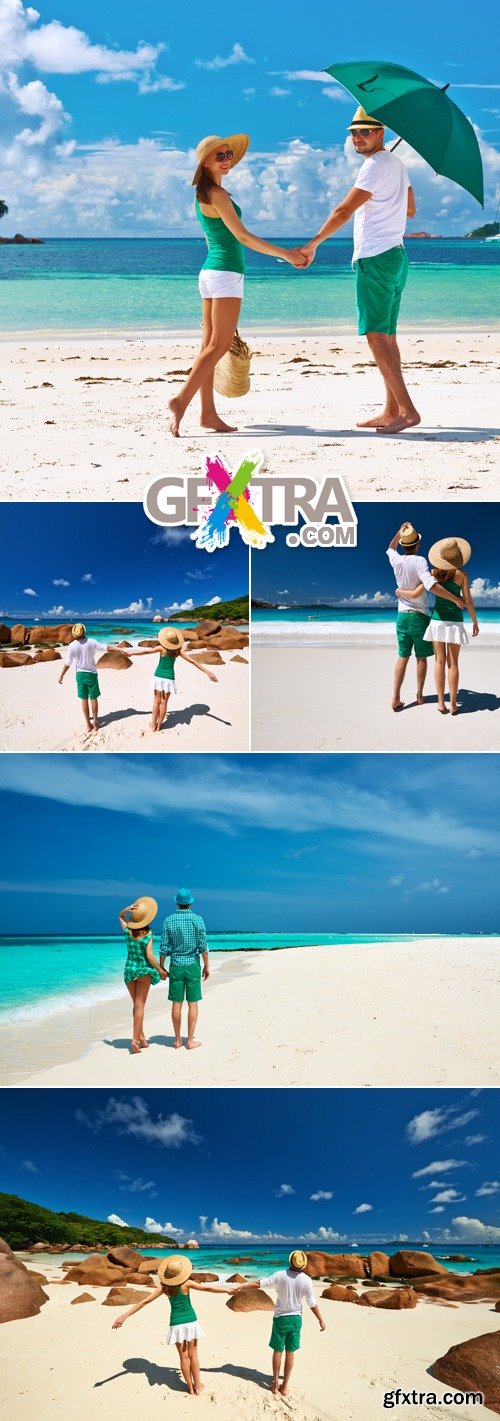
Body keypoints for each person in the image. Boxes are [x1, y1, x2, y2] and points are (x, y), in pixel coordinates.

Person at [168, 133, 308, 437]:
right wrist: (285, 254)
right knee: (218, 345)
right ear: (205, 161)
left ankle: (207, 414)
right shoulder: (216, 195)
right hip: (225, 274)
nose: (226, 159)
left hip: (210, 273)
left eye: (228, 154)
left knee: (208, 346)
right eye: (219, 155)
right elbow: (242, 237)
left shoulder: (207, 194)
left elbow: (214, 237)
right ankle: (180, 401)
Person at [299, 107, 419, 434]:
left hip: (376, 258)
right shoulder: (394, 164)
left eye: (364, 132)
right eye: (353, 132)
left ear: (381, 133)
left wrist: (313, 244)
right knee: (387, 335)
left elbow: (343, 210)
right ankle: (391, 409)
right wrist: (382, 198)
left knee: (376, 336)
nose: (357, 138)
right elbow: (410, 209)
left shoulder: (375, 166)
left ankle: (407, 410)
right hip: (395, 256)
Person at [112, 1255, 236, 1398]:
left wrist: (124, 1316)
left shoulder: (164, 1288)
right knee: (193, 1355)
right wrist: (226, 1290)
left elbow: (145, 1301)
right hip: (190, 1322)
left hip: (176, 1324)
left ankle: (189, 1387)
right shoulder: (187, 1284)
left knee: (183, 1357)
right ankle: (198, 1386)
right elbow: (207, 1288)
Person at [387, 524, 463, 712]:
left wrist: (400, 533)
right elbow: (431, 585)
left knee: (402, 656)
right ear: (418, 544)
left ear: (404, 544)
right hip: (419, 617)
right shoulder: (420, 561)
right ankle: (420, 695)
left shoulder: (396, 560)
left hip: (401, 617)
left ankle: (395, 698)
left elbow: (390, 548)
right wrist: (455, 598)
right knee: (421, 657)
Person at [402, 536, 479, 714]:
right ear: (457, 557)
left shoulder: (433, 573)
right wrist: (475, 622)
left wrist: (400, 592)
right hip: (455, 623)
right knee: (453, 664)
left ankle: (440, 703)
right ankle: (453, 704)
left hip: (437, 622)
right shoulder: (462, 575)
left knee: (439, 662)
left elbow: (418, 591)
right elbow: (467, 601)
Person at [238, 1250, 325, 1397]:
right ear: (303, 1265)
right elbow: (312, 1303)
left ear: (290, 1261)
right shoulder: (306, 1280)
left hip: (280, 1318)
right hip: (296, 1319)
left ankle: (275, 1384)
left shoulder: (280, 1275)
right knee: (290, 1352)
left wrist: (239, 1287)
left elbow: (259, 1283)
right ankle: (284, 1387)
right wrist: (320, 1319)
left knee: (278, 1351)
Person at [133, 626, 219, 733]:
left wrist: (131, 653)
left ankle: (153, 725)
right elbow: (193, 662)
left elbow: (146, 652)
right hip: (169, 678)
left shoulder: (161, 648)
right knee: (164, 703)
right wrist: (208, 672)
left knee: (156, 702)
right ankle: (159, 726)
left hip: (158, 677)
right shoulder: (178, 651)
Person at [160, 888, 209, 1050]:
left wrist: (161, 967)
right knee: (193, 1003)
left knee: (177, 1002)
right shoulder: (198, 920)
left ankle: (177, 1040)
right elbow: (203, 946)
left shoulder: (169, 921)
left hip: (176, 966)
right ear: (190, 903)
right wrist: (207, 966)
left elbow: (164, 948)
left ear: (177, 903)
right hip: (193, 966)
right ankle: (189, 1041)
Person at [118, 896, 167, 1054]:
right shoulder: (148, 934)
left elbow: (120, 915)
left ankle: (142, 1038)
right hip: (144, 971)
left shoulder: (127, 931)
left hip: (130, 971)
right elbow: (150, 956)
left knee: (136, 1006)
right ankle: (134, 1040)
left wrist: (128, 908)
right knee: (140, 1006)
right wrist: (160, 970)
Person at [58, 622, 109, 733]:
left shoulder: (72, 645)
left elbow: (68, 662)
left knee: (84, 699)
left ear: (75, 634)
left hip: (80, 675)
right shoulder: (92, 642)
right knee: (93, 698)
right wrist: (121, 650)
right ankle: (95, 722)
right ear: (84, 631)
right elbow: (106, 647)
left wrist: (62, 674)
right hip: (91, 674)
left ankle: (88, 725)